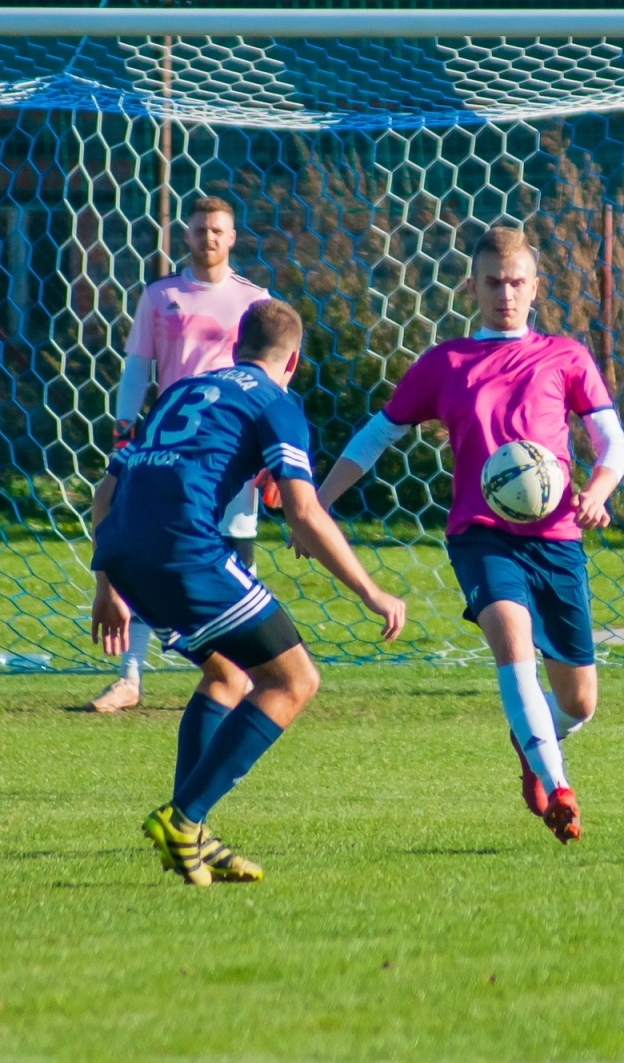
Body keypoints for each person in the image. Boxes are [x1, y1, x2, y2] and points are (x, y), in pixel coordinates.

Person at [311, 226, 624, 844]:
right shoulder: (444, 364)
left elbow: (612, 442)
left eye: (516, 282)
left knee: (580, 701)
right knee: (512, 645)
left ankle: (532, 737)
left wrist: (596, 492)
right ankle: (558, 785)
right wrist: (317, 505)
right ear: (471, 287)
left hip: (558, 536)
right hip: (481, 536)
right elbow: (376, 437)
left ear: (535, 287)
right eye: (493, 282)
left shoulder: (566, 356)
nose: (505, 294)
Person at [89, 298, 405, 884]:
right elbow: (305, 514)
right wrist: (372, 592)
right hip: (186, 553)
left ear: (235, 350)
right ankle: (185, 820)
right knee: (295, 679)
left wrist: (107, 586)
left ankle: (196, 834)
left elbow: (105, 494)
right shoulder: (275, 402)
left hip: (124, 556)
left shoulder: (182, 392)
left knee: (227, 675)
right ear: (294, 363)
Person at [83, 195, 272, 713]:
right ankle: (129, 677)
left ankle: (242, 672)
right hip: (166, 447)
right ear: (184, 235)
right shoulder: (160, 295)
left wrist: (272, 455)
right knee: (148, 550)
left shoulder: (255, 300)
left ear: (232, 237)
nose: (207, 237)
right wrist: (125, 427)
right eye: (199, 229)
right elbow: (137, 368)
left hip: (228, 449)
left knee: (235, 552)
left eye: (217, 230)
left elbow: (275, 375)